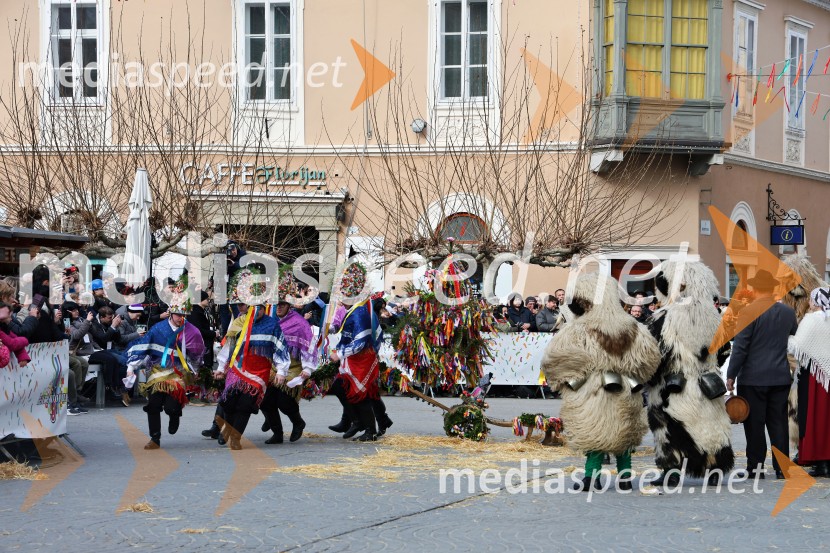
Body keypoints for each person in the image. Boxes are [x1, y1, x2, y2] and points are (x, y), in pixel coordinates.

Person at [541, 273, 660, 491]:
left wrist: (572, 375)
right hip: (626, 388)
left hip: (592, 390)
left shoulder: (579, 328)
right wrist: (633, 373)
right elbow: (650, 357)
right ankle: (624, 478)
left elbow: (555, 358)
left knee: (595, 432)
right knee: (624, 432)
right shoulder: (633, 327)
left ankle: (590, 477)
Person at [646, 260, 734, 486]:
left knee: (669, 427)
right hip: (707, 384)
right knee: (711, 427)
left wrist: (650, 378)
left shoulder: (663, 317)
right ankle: (714, 469)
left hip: (673, 387)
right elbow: (724, 351)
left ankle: (671, 471)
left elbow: (656, 352)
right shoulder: (715, 318)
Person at [726, 270, 799, 479]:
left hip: (753, 377)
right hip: (780, 375)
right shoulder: (787, 312)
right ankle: (782, 468)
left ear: (755, 289)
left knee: (755, 424)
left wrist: (731, 375)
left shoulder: (748, 312)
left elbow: (740, 348)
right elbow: (793, 334)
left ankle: (755, 468)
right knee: (778, 423)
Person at [212, 270, 290, 450]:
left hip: (258, 372)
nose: (241, 309)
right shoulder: (239, 322)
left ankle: (236, 438)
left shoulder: (272, 324)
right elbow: (228, 347)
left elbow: (280, 348)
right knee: (229, 403)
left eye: (245, 305)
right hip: (237, 369)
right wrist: (221, 366)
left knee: (246, 404)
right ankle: (228, 431)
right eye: (240, 305)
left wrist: (281, 371)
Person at [126, 294, 205, 450]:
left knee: (170, 407)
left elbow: (197, 354)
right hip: (158, 371)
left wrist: (196, 371)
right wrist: (131, 368)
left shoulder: (192, 331)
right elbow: (145, 347)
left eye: (184, 315)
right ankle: (155, 438)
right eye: (177, 314)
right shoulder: (158, 328)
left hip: (178, 372)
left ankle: (175, 415)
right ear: (170, 313)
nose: (180, 318)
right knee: (154, 404)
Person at [328, 263, 386, 442]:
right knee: (340, 387)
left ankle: (370, 430)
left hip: (361, 359)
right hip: (352, 359)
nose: (340, 297)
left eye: (343, 293)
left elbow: (360, 343)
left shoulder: (359, 312)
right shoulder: (351, 310)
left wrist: (339, 354)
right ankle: (356, 421)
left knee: (361, 396)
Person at [260, 291, 317, 444]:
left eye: (282, 304)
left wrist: (307, 368)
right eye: (277, 304)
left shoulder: (299, 323)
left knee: (284, 402)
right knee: (265, 401)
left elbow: (308, 345)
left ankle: (298, 422)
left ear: (289, 306)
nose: (279, 307)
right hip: (275, 366)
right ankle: (277, 433)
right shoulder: (270, 320)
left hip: (295, 366)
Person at [789, 287, 830, 477]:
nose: (810, 304)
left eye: (812, 300)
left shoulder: (812, 319)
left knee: (815, 417)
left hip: (815, 377)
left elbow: (797, 346)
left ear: (816, 301)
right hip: (826, 375)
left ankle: (820, 461)